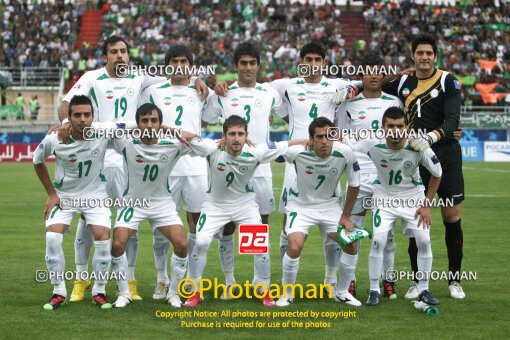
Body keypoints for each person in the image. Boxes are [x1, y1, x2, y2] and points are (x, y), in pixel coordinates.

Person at [59, 35, 208, 302]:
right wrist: (64, 122)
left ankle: (130, 282)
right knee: (88, 219)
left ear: (129, 55)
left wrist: (196, 78)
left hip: (130, 157)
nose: (119, 56)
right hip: (101, 155)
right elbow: (66, 103)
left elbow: (176, 77)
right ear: (105, 56)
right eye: (114, 51)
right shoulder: (92, 78)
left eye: (123, 51)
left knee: (130, 226)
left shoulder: (140, 79)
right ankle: (82, 279)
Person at [215, 41, 358, 294]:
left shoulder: (335, 84)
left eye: (317, 59)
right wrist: (211, 83)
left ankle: (328, 280)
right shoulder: (281, 87)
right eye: (308, 59)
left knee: (321, 222)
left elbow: (361, 85)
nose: (312, 64)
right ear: (300, 62)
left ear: (324, 63)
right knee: (278, 224)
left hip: (317, 160)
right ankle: (252, 281)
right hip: (291, 160)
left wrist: (349, 91)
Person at [183, 115, 307, 307]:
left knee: (260, 245)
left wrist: (313, 141)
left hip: (245, 206)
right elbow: (183, 135)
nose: (236, 138)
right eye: (232, 134)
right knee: (200, 241)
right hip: (215, 205)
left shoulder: (256, 151)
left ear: (247, 136)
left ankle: (265, 291)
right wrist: (197, 136)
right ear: (224, 136)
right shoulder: (211, 147)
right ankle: (195, 292)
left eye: (241, 134)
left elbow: (288, 143)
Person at [383, 34, 466, 299]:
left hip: (446, 153)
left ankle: (454, 280)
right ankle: (418, 282)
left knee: (451, 217)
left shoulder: (447, 80)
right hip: (415, 158)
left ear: (435, 56)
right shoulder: (404, 81)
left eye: (429, 53)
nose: (424, 57)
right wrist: (397, 73)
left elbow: (453, 119)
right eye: (420, 53)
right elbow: (374, 84)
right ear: (413, 56)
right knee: (415, 220)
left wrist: (429, 138)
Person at [202, 42, 285, 296]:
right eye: (243, 63)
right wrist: (205, 84)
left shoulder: (270, 92)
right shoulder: (222, 93)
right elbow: (204, 118)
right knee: (227, 227)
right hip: (228, 169)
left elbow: (288, 116)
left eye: (252, 63)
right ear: (236, 66)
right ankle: (229, 281)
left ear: (259, 66)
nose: (248, 68)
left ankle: (260, 283)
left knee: (259, 225)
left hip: (259, 168)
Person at [345, 107, 442, 306]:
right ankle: (374, 289)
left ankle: (424, 289)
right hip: (384, 196)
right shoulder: (371, 141)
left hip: (412, 197)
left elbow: (437, 173)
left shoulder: (418, 145)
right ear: (383, 127)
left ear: (407, 127)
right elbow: (345, 144)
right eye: (391, 126)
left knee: (423, 240)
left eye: (400, 126)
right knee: (379, 240)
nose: (395, 131)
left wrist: (426, 204)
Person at [140, 45, 210, 300]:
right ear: (167, 64)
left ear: (191, 66)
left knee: (196, 223)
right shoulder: (153, 91)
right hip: (164, 165)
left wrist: (203, 82)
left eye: (184, 61)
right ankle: (161, 279)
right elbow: (145, 122)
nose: (179, 65)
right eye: (174, 61)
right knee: (161, 223)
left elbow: (216, 113)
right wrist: (175, 132)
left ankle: (191, 281)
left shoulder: (202, 91)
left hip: (195, 165)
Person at [110, 103, 194, 308]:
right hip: (133, 203)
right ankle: (124, 293)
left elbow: (197, 138)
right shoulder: (126, 142)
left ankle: (173, 292)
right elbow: (105, 129)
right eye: (144, 120)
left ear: (160, 123)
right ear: (137, 123)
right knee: (117, 244)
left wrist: (172, 130)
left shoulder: (174, 144)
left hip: (162, 204)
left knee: (182, 245)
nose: (149, 124)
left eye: (154, 121)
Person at [33, 95, 113, 310]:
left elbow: (134, 125)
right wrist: (51, 194)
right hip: (64, 196)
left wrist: (165, 128)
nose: (82, 119)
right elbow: (37, 160)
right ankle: (58, 291)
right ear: (68, 118)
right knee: (52, 238)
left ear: (93, 117)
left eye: (87, 114)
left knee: (103, 239)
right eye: (77, 115)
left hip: (95, 196)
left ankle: (99, 291)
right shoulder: (55, 138)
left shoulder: (103, 132)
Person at [336, 54, 404, 298]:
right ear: (362, 75)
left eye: (378, 71)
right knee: (354, 230)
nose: (373, 75)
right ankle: (350, 281)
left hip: (387, 176)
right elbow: (340, 136)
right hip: (359, 175)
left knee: (388, 233)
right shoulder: (349, 103)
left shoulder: (394, 101)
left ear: (383, 74)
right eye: (369, 71)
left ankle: (388, 280)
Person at [276, 117, 361, 307]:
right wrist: (298, 141)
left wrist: (345, 215)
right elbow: (268, 148)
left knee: (351, 242)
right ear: (311, 139)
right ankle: (287, 294)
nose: (324, 141)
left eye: (328, 136)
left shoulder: (345, 152)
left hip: (330, 207)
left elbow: (355, 184)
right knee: (295, 245)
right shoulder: (297, 152)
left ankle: (342, 292)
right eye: (319, 137)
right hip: (300, 206)